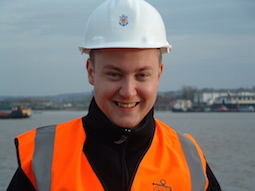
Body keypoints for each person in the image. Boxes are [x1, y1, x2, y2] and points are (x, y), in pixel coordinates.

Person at [7, 0, 221, 190]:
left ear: (159, 75)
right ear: (91, 72)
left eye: (142, 75)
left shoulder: (190, 160)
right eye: (114, 74)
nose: (128, 91)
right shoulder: (41, 157)